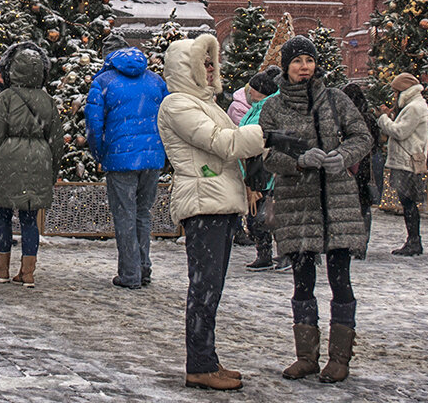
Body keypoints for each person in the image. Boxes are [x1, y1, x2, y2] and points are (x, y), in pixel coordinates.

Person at [261, 36, 372, 384]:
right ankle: (306, 356)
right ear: (286, 66)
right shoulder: (273, 108)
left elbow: (362, 136)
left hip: (336, 201)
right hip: (298, 204)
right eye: (297, 61)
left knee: (341, 281)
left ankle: (340, 358)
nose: (304, 67)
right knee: (302, 282)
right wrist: (297, 161)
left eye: (309, 60)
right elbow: (264, 152)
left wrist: (344, 156)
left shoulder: (336, 100)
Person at [157, 34, 265, 392]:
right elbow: (223, 143)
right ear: (184, 68)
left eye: (210, 62)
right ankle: (199, 365)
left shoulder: (205, 103)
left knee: (211, 287)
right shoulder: (178, 105)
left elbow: (230, 141)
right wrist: (266, 134)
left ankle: (207, 358)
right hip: (204, 203)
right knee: (204, 288)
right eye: (202, 62)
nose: (209, 68)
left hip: (218, 201)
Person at [84, 36, 167, 289]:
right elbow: (168, 116)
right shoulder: (155, 80)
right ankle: (144, 268)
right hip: (152, 158)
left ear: (107, 56)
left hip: (120, 157)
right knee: (143, 213)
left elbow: (94, 127)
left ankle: (130, 274)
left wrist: (100, 155)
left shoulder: (103, 82)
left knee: (124, 215)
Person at [0, 42, 63, 289]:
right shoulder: (47, 101)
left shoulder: (5, 98)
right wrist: (53, 171)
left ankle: (1, 268)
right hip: (39, 159)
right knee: (29, 219)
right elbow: (56, 140)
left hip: (8, 158)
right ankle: (28, 272)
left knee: (3, 215)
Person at [377, 72, 428, 257]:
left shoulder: (414, 108)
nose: (394, 96)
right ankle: (413, 239)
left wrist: (384, 118)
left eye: (395, 92)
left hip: (406, 162)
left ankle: (414, 240)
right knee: (408, 203)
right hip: (407, 160)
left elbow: (400, 132)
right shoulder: (415, 106)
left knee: (408, 203)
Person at [240, 68, 283, 271]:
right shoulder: (256, 107)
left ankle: (283, 254)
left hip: (265, 165)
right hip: (254, 166)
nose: (250, 92)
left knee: (267, 213)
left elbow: (262, 135)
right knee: (258, 212)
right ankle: (264, 253)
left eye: (254, 88)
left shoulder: (268, 107)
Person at [342, 83, 383, 259]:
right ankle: (360, 244)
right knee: (362, 207)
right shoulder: (368, 118)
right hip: (364, 168)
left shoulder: (351, 119)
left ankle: (355, 244)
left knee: (355, 207)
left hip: (355, 167)